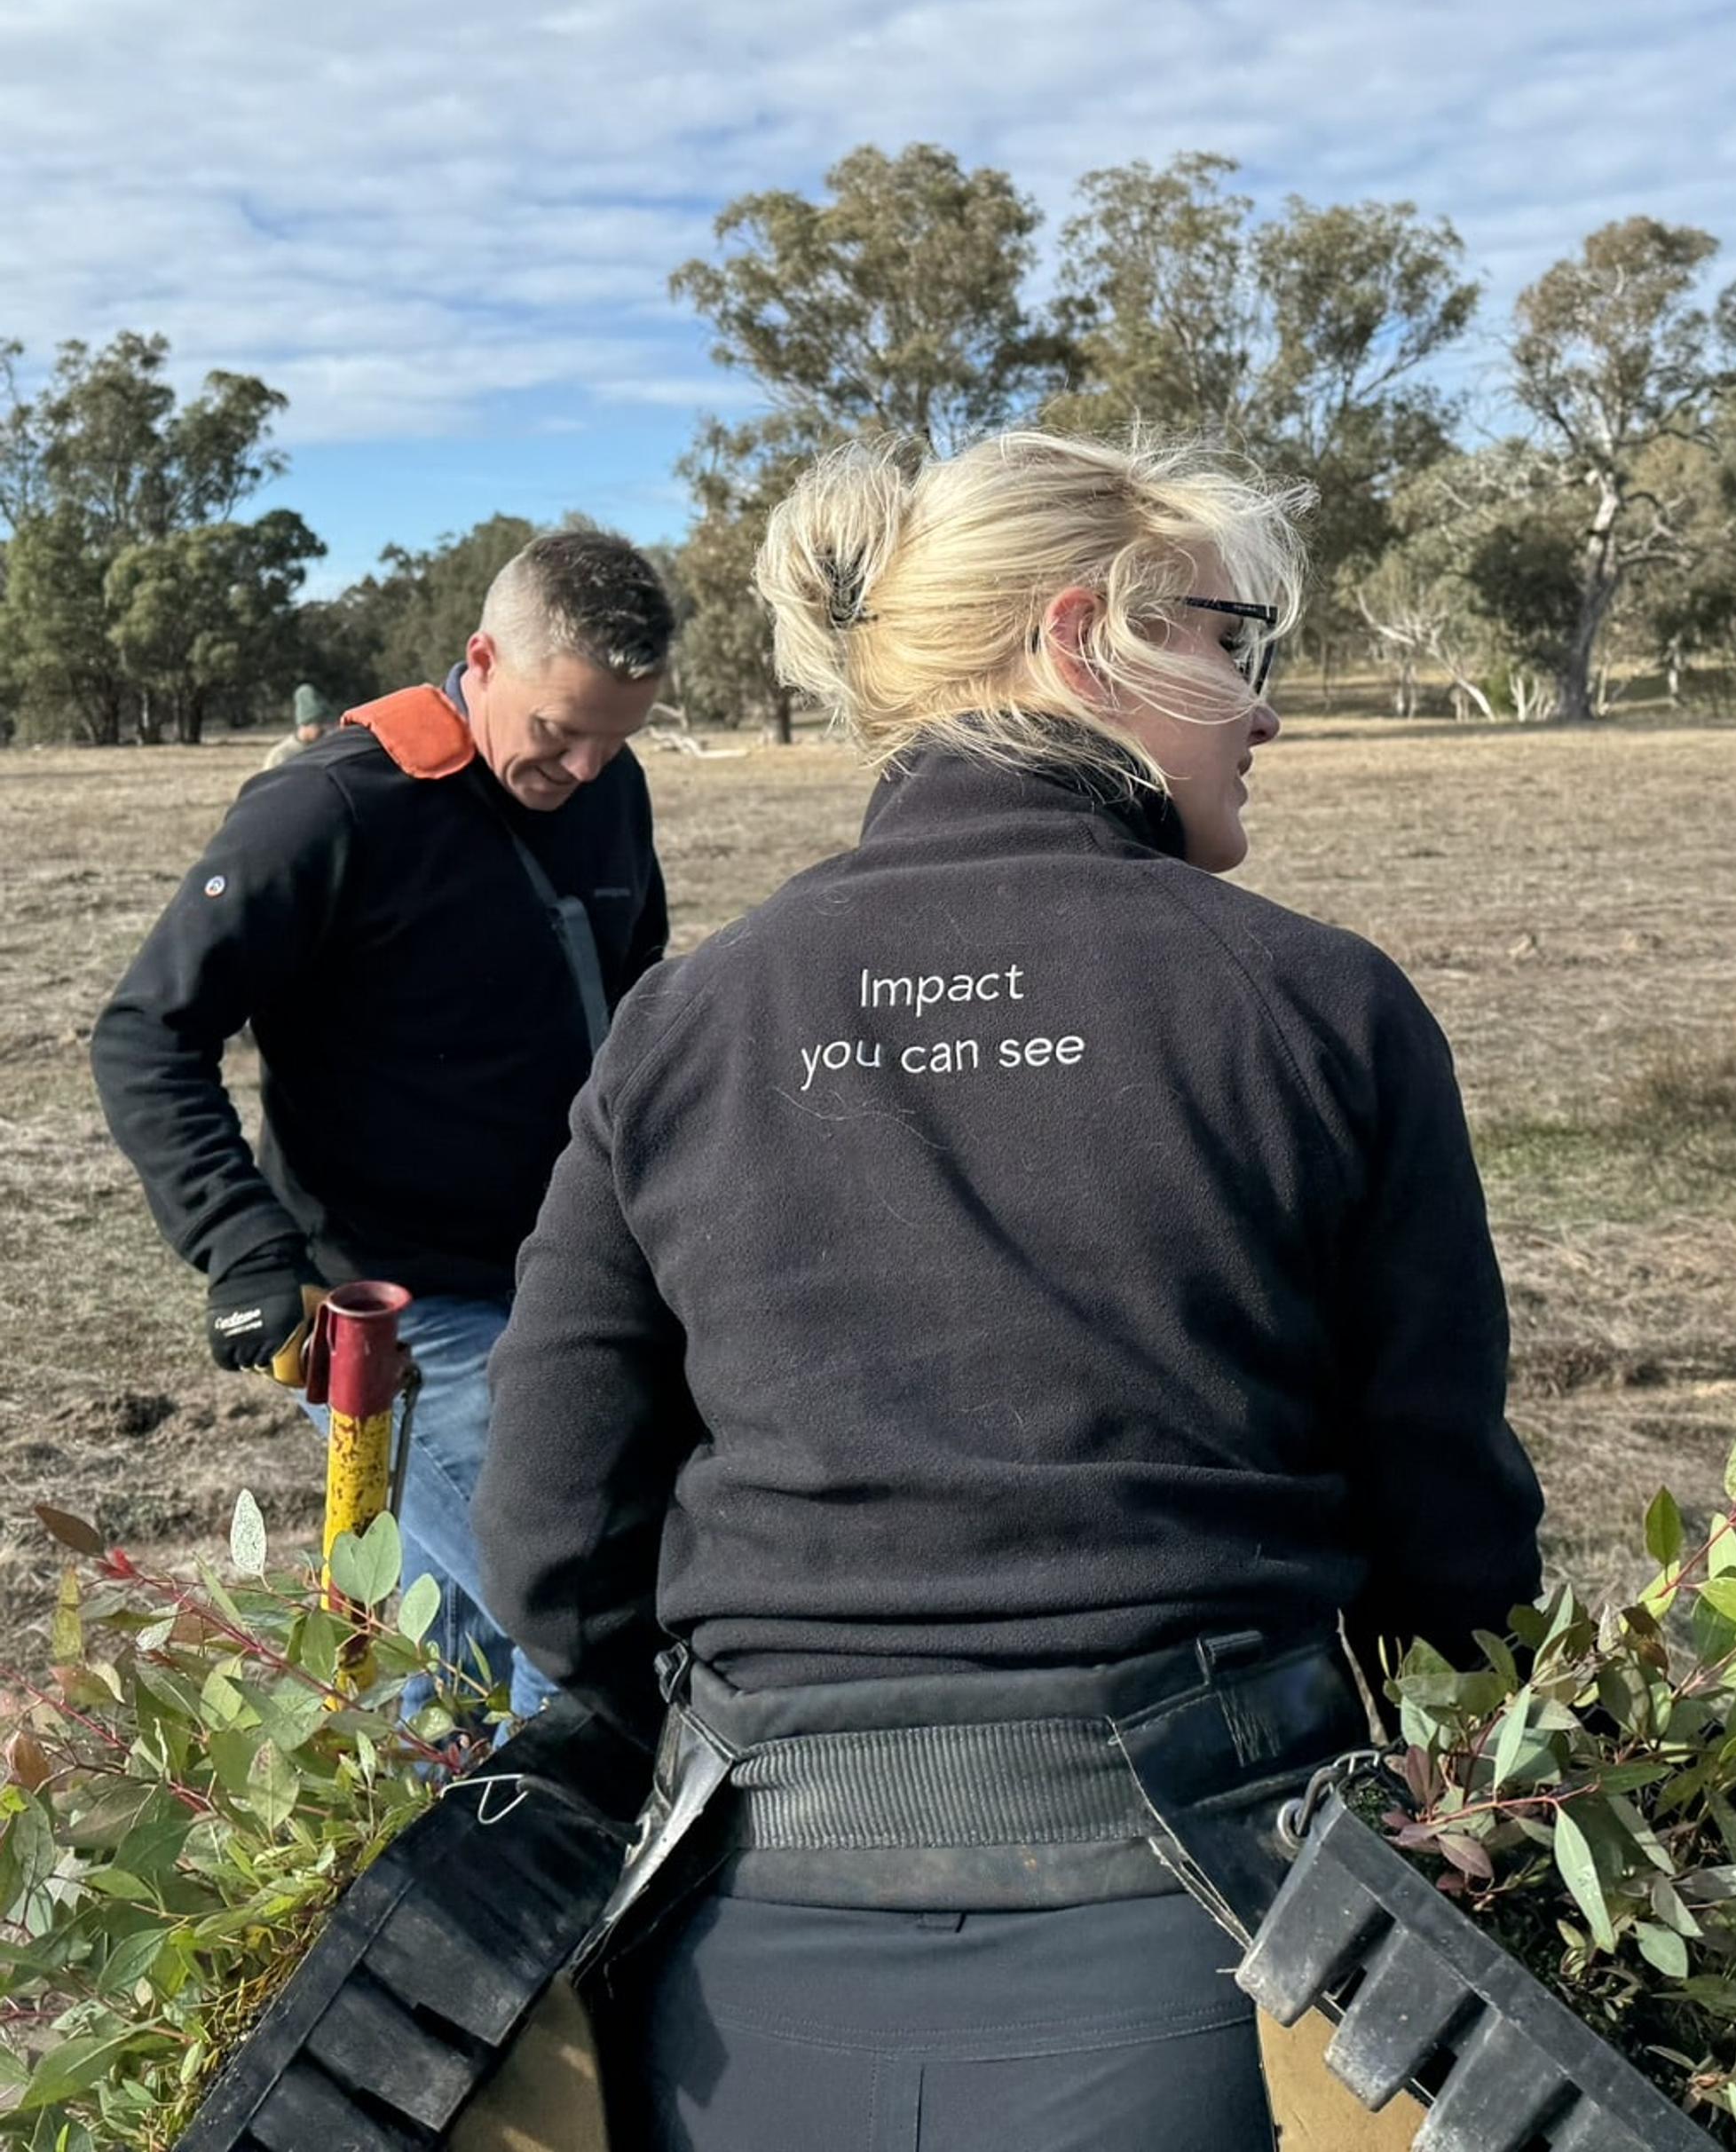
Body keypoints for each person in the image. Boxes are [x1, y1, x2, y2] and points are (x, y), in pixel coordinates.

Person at [474, 433, 1543, 2149]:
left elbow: (543, 1526)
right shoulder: (1317, 1003)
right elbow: (1452, 1533)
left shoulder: (688, 1020)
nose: (1262, 707)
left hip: (737, 1985)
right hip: (1231, 1961)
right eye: (1229, 639)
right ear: (1077, 636)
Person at [92, 529, 674, 1720]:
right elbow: (146, 1031)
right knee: (563, 1609)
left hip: (575, 1271)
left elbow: (630, 988)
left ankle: (417, 1865)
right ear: (481, 658)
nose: (585, 764)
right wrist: (246, 1249)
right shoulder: (330, 805)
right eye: (559, 729)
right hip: (407, 1310)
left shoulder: (610, 788)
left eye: (618, 734)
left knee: (437, 1644)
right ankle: (562, 1887)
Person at [263, 681, 331, 769]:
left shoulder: (326, 752)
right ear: (305, 723)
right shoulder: (280, 756)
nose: (324, 729)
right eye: (319, 723)